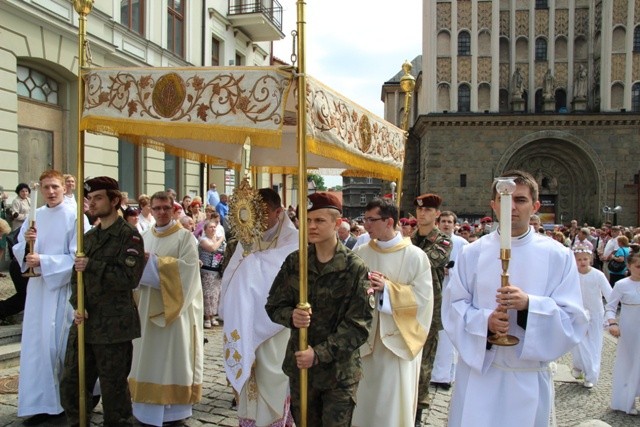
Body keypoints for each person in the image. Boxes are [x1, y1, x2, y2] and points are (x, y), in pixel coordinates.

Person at [442, 169, 588, 427]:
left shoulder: (557, 255)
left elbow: (573, 318)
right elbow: (453, 306)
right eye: (504, 199)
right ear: (494, 205)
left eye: (520, 199)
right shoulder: (472, 253)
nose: (511, 207)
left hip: (527, 375)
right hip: (480, 374)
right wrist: (486, 322)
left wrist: (529, 305)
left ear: (536, 206)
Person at [265, 192, 373, 427]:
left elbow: (359, 326)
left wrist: (319, 354)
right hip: (302, 371)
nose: (311, 226)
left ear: (336, 223)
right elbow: (274, 305)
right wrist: (291, 316)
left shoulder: (354, 268)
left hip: (338, 374)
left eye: (319, 221)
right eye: (308, 220)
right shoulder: (296, 262)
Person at [60, 176, 145, 426]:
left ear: (115, 200)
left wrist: (93, 265)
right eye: (90, 198)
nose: (92, 203)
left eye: (98, 197)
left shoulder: (129, 236)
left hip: (113, 327)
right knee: (72, 385)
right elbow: (76, 278)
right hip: (85, 324)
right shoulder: (89, 237)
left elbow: (129, 278)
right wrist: (78, 305)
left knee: (114, 391)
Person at [13, 169, 89, 426]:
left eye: (55, 187)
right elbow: (21, 253)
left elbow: (79, 258)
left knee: (56, 347)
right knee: (36, 348)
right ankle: (40, 403)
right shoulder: (37, 215)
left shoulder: (75, 216)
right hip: (38, 293)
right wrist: (26, 244)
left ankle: (62, 404)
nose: (51, 192)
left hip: (61, 290)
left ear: (64, 188)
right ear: (40, 190)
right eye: (46, 187)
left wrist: (43, 261)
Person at [220, 188, 299, 427]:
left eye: (264, 213)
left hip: (276, 326)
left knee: (274, 375)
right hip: (247, 320)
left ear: (278, 211)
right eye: (255, 212)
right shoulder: (247, 238)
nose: (259, 219)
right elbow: (231, 278)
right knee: (252, 379)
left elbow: (279, 273)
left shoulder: (293, 240)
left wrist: (252, 266)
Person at [352, 198, 433, 427]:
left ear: (389, 221)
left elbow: (423, 300)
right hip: (365, 341)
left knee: (390, 407)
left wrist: (388, 290)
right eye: (364, 219)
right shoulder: (360, 252)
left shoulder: (415, 256)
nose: (366, 225)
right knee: (363, 405)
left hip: (398, 343)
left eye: (371, 220)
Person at [129, 191, 204, 426]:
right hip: (147, 308)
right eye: (157, 208)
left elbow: (189, 271)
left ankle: (175, 414)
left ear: (173, 210)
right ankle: (144, 411)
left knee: (172, 359)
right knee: (147, 358)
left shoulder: (185, 238)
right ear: (150, 209)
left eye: (166, 208)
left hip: (175, 313)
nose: (161, 212)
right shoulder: (142, 236)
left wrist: (154, 263)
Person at [410, 193, 451, 425]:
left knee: (424, 365)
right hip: (405, 307)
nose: (422, 213)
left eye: (427, 210)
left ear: (437, 214)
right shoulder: (409, 239)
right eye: (419, 210)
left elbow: (426, 262)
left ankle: (417, 413)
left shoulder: (443, 240)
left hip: (429, 310)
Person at [431, 210, 468, 390]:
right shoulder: (432, 242)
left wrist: (451, 271)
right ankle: (433, 373)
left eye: (449, 222)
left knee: (448, 335)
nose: (446, 224)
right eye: (443, 221)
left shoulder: (462, 244)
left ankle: (445, 375)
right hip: (435, 292)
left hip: (453, 293)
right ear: (438, 223)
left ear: (455, 225)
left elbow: (467, 269)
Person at [569, 246, 612, 389]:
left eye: (585, 259)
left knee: (593, 344)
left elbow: (609, 294)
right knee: (579, 342)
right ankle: (579, 365)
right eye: (579, 259)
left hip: (595, 314)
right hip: (578, 313)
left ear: (591, 260)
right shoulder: (572, 274)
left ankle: (591, 374)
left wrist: (610, 314)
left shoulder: (598, 275)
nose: (582, 262)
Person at [605, 248, 640, 415]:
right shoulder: (621, 285)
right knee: (628, 363)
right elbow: (610, 307)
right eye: (639, 266)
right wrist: (612, 323)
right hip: (629, 331)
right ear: (630, 266)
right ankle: (626, 400)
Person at [198, 215, 225, 328]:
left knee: (215, 294)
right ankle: (207, 317)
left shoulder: (218, 240)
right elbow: (212, 248)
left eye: (214, 227)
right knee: (207, 294)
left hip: (217, 270)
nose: (213, 229)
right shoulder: (203, 240)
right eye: (210, 227)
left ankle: (213, 315)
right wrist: (221, 239)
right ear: (205, 229)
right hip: (207, 270)